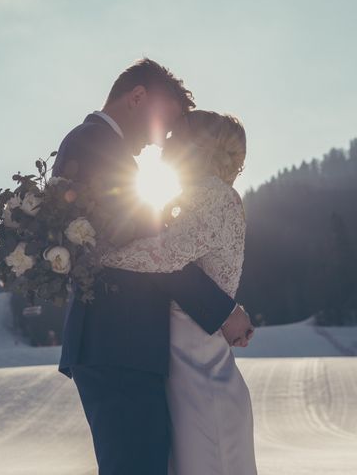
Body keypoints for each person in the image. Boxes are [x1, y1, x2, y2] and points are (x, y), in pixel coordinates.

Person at [52, 58, 254, 474]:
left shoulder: (100, 146)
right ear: (137, 97)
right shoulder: (95, 144)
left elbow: (154, 252)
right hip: (116, 341)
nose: (163, 139)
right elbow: (153, 254)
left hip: (123, 343)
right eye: (168, 122)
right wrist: (223, 311)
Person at [101, 110, 257, 474]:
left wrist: (91, 251)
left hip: (203, 379)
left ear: (196, 146)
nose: (163, 142)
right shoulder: (199, 195)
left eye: (173, 136)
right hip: (189, 369)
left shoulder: (213, 196)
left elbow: (164, 256)